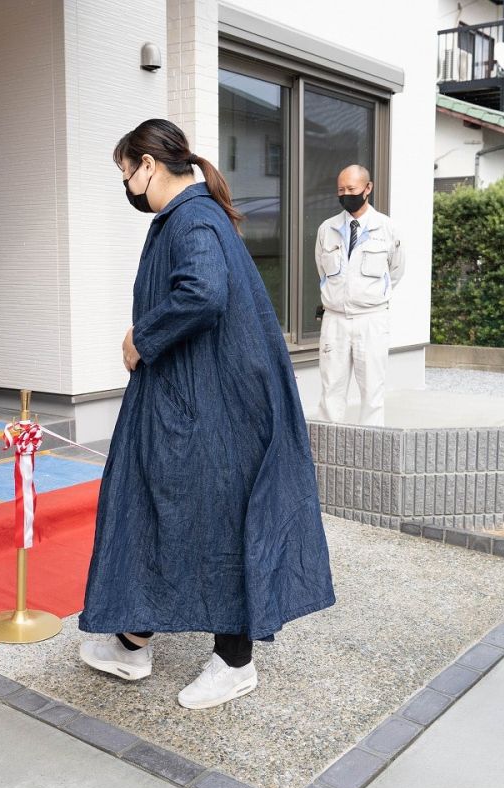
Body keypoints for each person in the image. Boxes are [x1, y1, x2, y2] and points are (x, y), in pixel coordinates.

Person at [78, 119, 335, 710]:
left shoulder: (192, 218)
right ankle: (133, 637)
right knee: (158, 505)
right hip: (205, 397)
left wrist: (143, 338)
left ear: (148, 165)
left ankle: (234, 660)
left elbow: (203, 292)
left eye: (126, 172)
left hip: (217, 405)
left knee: (209, 515)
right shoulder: (195, 214)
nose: (128, 185)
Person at [314, 165, 405, 427]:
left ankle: (370, 460)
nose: (345, 195)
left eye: (351, 189)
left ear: (368, 188)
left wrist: (368, 296)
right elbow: (323, 270)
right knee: (330, 391)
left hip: (371, 319)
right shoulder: (326, 229)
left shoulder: (388, 228)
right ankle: (329, 455)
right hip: (335, 320)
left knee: (372, 392)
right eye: (341, 190)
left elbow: (396, 272)